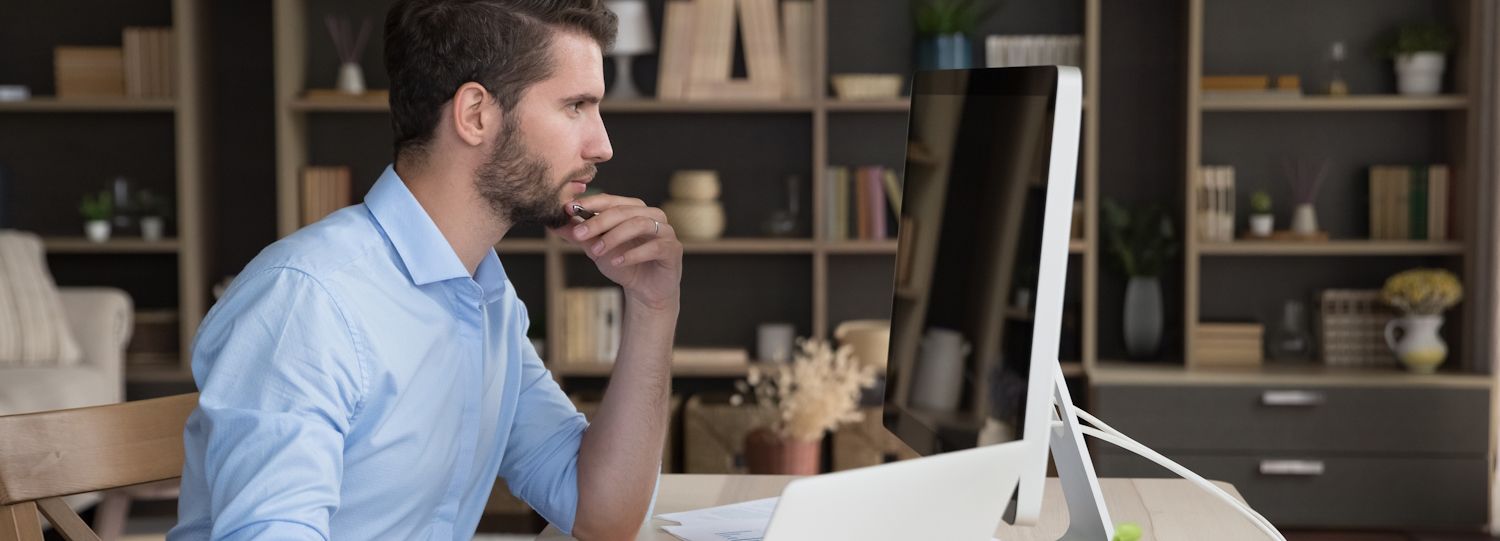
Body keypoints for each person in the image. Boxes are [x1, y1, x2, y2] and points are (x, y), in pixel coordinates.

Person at [169, 1, 681, 539]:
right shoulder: (308, 303)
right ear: (476, 114)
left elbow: (603, 515)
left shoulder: (486, 299)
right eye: (575, 105)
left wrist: (653, 308)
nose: (602, 145)